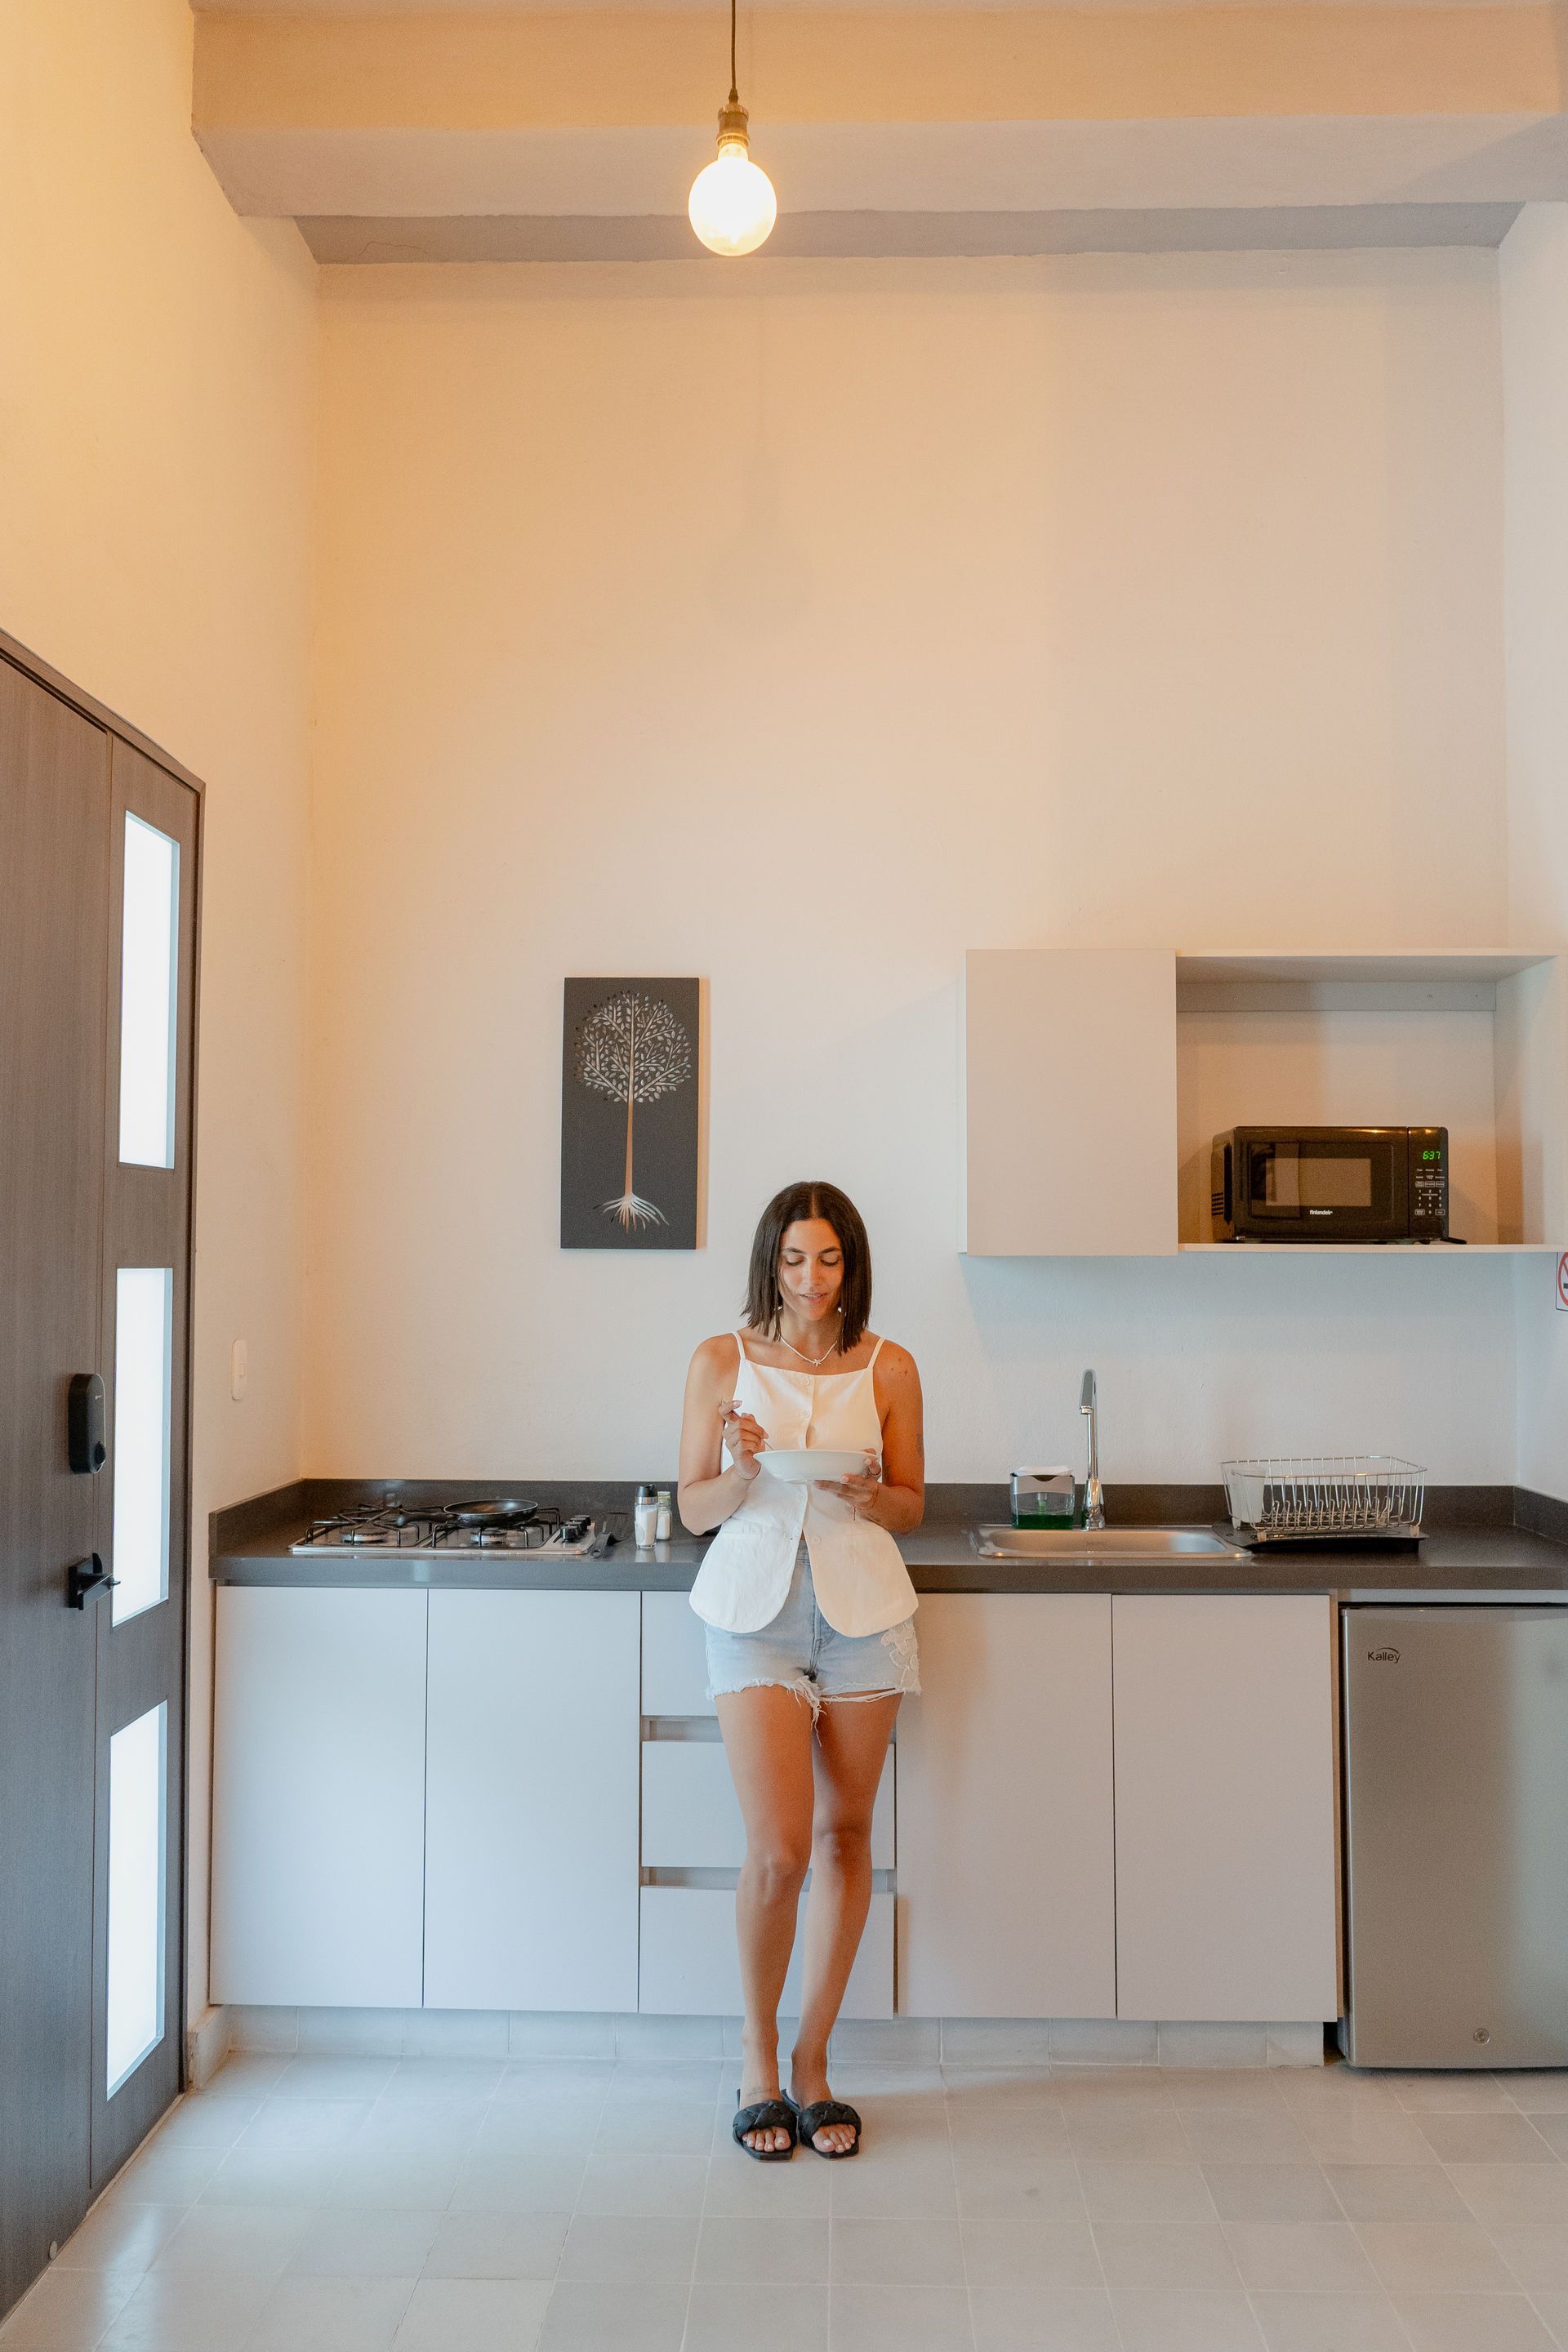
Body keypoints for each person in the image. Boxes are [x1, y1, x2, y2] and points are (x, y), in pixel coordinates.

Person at [677, 1181, 924, 2159]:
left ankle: (815, 2064)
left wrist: (873, 1495)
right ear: (768, 1264)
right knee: (778, 1851)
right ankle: (758, 2060)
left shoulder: (891, 1365)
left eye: (827, 1259)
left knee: (845, 1840)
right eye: (792, 1259)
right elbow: (697, 1508)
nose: (811, 1279)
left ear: (851, 1264)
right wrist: (742, 1474)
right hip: (754, 1616)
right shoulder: (720, 1362)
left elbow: (912, 1502)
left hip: (864, 1616)